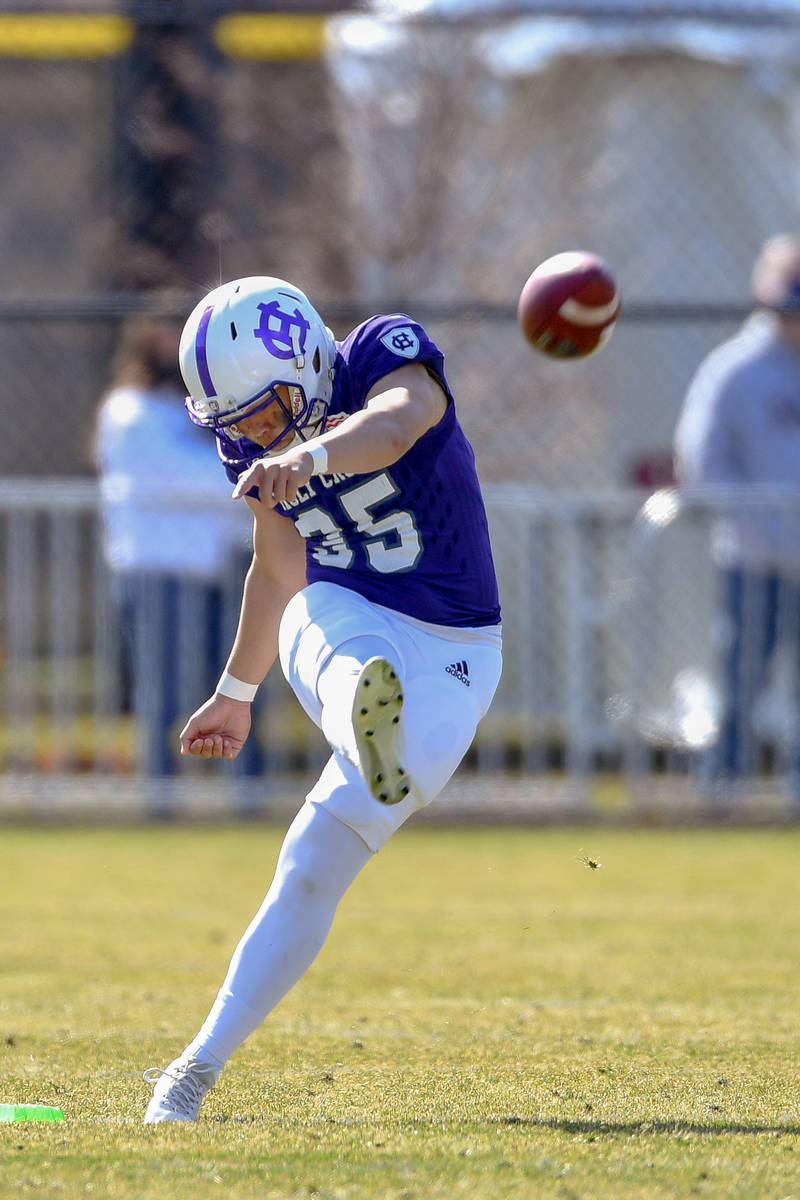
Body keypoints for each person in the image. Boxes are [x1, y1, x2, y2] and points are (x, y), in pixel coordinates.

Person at [142, 276, 503, 1122]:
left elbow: (400, 422)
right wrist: (236, 693)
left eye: (262, 415)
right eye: (234, 424)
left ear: (304, 360)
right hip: (352, 630)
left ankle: (371, 721)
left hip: (454, 656)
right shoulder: (255, 447)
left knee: (312, 860)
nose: (250, 435)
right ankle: (191, 1074)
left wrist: (312, 453)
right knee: (313, 608)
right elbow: (277, 566)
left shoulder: (380, 351)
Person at [95, 310, 253, 780]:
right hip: (157, 572)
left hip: (216, 569)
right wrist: (250, 482)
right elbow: (196, 479)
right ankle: (161, 795)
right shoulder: (130, 412)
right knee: (162, 692)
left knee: (236, 689)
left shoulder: (203, 413)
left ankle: (246, 796)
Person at [673, 234, 800, 795]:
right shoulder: (734, 370)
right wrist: (762, 522)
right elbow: (701, 461)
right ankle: (725, 788)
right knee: (743, 676)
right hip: (756, 561)